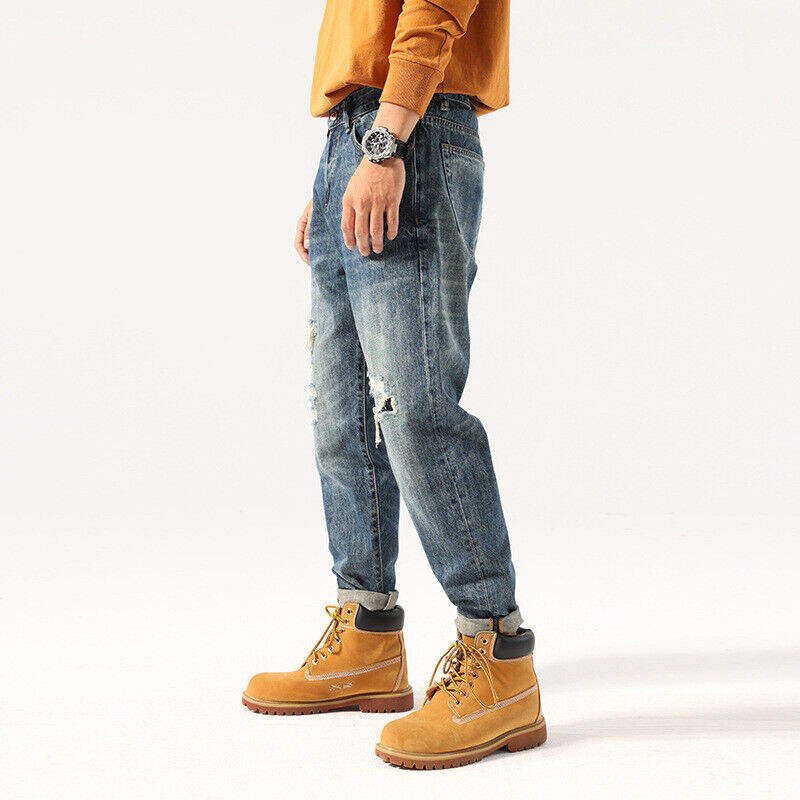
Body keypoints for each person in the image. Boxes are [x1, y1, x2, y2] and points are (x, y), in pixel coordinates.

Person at [243, 0, 546, 769]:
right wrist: (340, 170)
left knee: (414, 408)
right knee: (341, 411)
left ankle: (498, 649)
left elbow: (435, 8)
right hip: (357, 137)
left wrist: (385, 145)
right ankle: (368, 635)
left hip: (412, 130)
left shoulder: (399, 136)